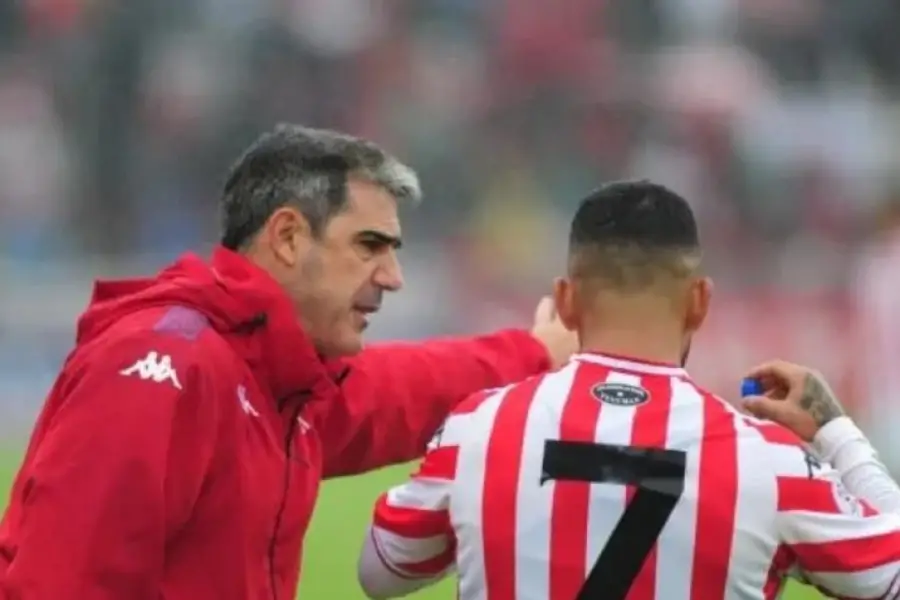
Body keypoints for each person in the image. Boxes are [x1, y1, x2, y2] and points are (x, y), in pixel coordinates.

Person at [0, 125, 576, 600]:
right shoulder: (164, 366)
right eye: (369, 246)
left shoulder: (273, 379)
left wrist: (537, 354)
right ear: (289, 237)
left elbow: (395, 391)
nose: (393, 277)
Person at [357, 180, 900, 600]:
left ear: (565, 302)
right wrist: (835, 431)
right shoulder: (772, 463)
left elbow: (380, 572)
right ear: (700, 302)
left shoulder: (477, 429)